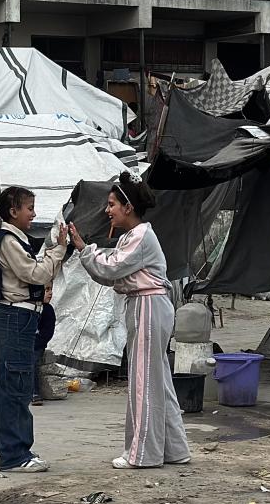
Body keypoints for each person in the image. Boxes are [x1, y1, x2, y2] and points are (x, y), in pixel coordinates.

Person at [69, 172, 192, 469]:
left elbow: (110, 269)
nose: (107, 210)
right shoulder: (133, 237)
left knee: (144, 380)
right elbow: (112, 272)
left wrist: (85, 250)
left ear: (128, 207)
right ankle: (174, 449)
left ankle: (143, 454)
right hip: (146, 305)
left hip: (149, 305)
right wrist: (87, 252)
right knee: (158, 379)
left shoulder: (140, 237)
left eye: (112, 204)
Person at [0, 186, 68, 473]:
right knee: (18, 385)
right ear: (13, 211)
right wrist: (59, 250)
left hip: (15, 316)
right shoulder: (8, 240)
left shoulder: (16, 240)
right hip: (15, 317)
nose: (33, 214)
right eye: (29, 208)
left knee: (8, 383)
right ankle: (17, 454)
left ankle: (3, 446)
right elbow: (36, 273)